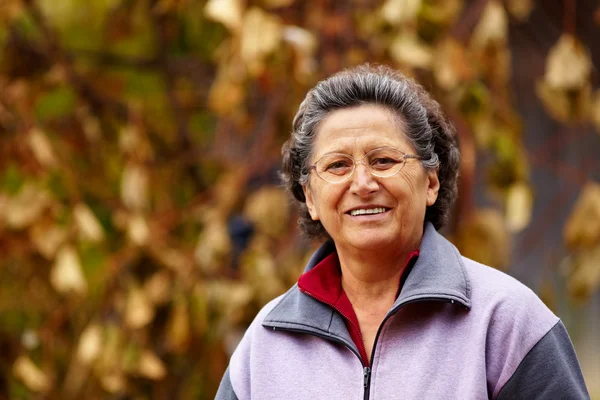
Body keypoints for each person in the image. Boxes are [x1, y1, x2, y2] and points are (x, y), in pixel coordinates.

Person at [215, 64, 590, 399]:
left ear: (431, 182)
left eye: (384, 160)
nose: (362, 183)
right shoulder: (266, 342)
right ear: (310, 197)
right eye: (337, 165)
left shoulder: (505, 321)